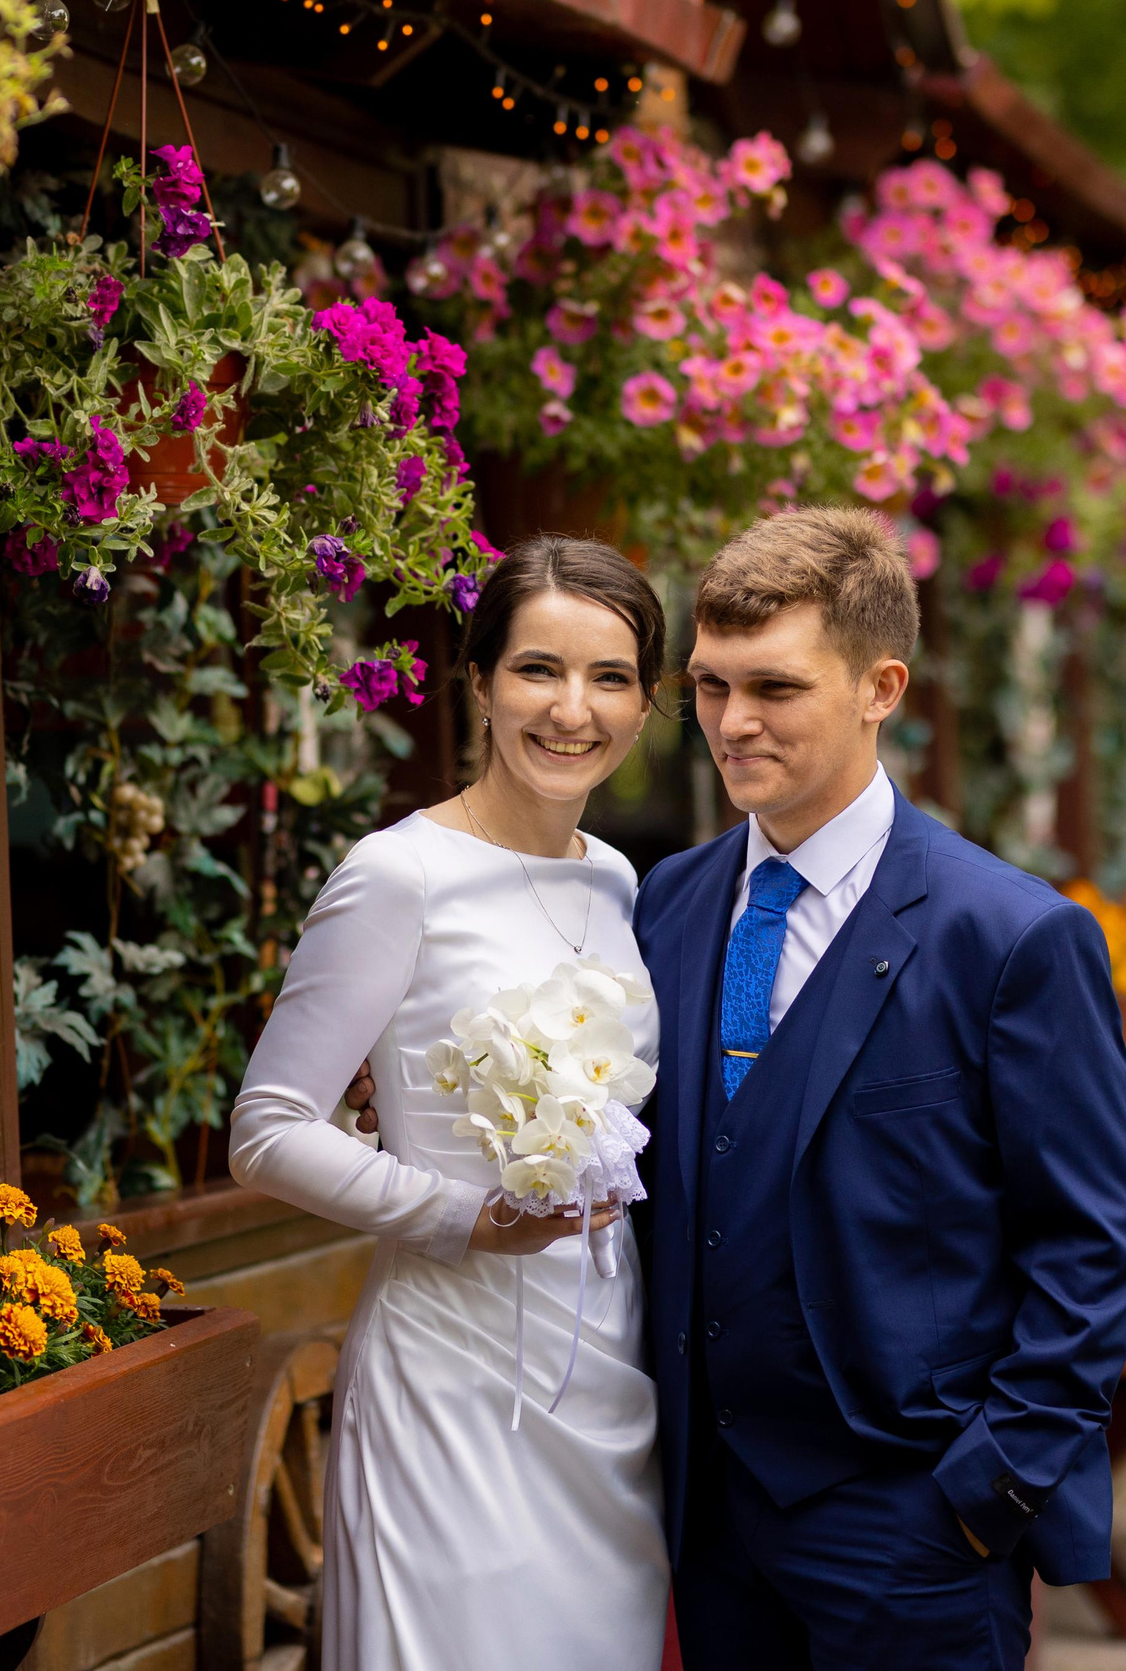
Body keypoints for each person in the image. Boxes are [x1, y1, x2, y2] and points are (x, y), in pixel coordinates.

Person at [633, 507, 1126, 1668]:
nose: (732, 722)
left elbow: (1091, 1243)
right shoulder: (666, 901)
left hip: (915, 1526)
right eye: (710, 687)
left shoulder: (1009, 936)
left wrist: (987, 1489)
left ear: (881, 687)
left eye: (774, 687)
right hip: (708, 1518)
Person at [228, 536, 673, 1671]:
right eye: (537, 670)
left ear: (643, 706)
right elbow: (267, 1130)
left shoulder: (618, 880)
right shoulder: (399, 874)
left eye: (609, 678)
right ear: (478, 683)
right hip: (453, 1372)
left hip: (608, 1362)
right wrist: (465, 1215)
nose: (571, 710)